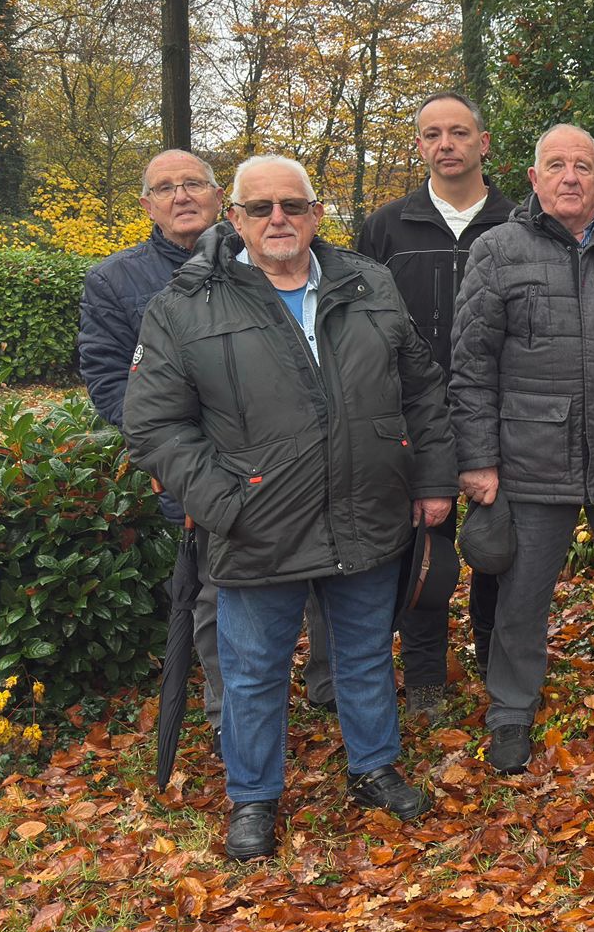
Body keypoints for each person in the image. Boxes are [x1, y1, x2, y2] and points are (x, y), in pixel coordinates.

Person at [123, 155, 453, 862]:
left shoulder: (369, 284)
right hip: (257, 525)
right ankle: (253, 798)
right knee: (253, 671)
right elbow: (154, 425)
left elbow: (421, 389)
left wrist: (430, 479)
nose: (279, 219)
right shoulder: (185, 305)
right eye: (261, 207)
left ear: (315, 215)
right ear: (234, 218)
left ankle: (374, 768)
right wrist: (223, 501)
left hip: (366, 510)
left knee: (365, 654)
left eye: (293, 206)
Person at [452, 124, 594, 775]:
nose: (570, 176)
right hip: (531, 455)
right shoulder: (497, 252)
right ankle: (510, 710)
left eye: (583, 165)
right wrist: (477, 458)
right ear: (533, 179)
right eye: (556, 165)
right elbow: (471, 363)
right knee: (521, 596)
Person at [354, 90, 518, 720]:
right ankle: (425, 674)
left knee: (497, 549)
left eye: (458, 132)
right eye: (432, 134)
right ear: (420, 145)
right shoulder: (386, 227)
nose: (445, 144)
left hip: (501, 415)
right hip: (410, 417)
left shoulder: (518, 222)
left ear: (483, 143)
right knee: (424, 550)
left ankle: (497, 660)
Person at [78, 150, 228, 742]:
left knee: (319, 579)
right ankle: (228, 718)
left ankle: (326, 688)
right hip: (192, 463)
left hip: (279, 451)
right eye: (165, 188)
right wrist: (164, 453)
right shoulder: (114, 280)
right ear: (147, 205)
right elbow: (109, 378)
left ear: (219, 196)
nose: (181, 195)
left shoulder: (258, 258)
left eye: (194, 183)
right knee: (216, 592)